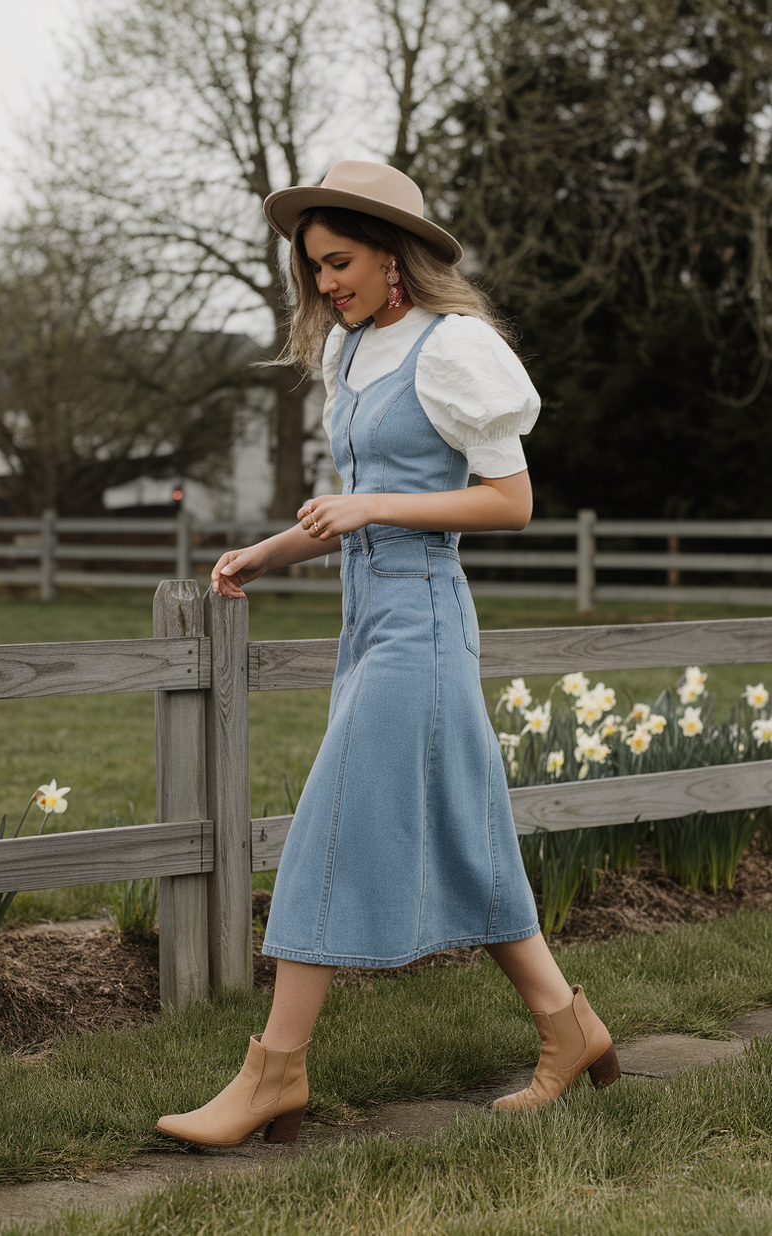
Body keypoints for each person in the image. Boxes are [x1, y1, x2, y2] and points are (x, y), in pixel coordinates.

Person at [155, 161, 620, 1149]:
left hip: (422, 616)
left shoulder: (453, 348)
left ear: (391, 254)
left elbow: (508, 502)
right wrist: (272, 550)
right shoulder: (351, 355)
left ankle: (273, 1070)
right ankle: (566, 1026)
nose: (325, 284)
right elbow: (354, 503)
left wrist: (370, 505)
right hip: (366, 620)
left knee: (328, 820)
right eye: (314, 268)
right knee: (464, 828)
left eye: (339, 262)